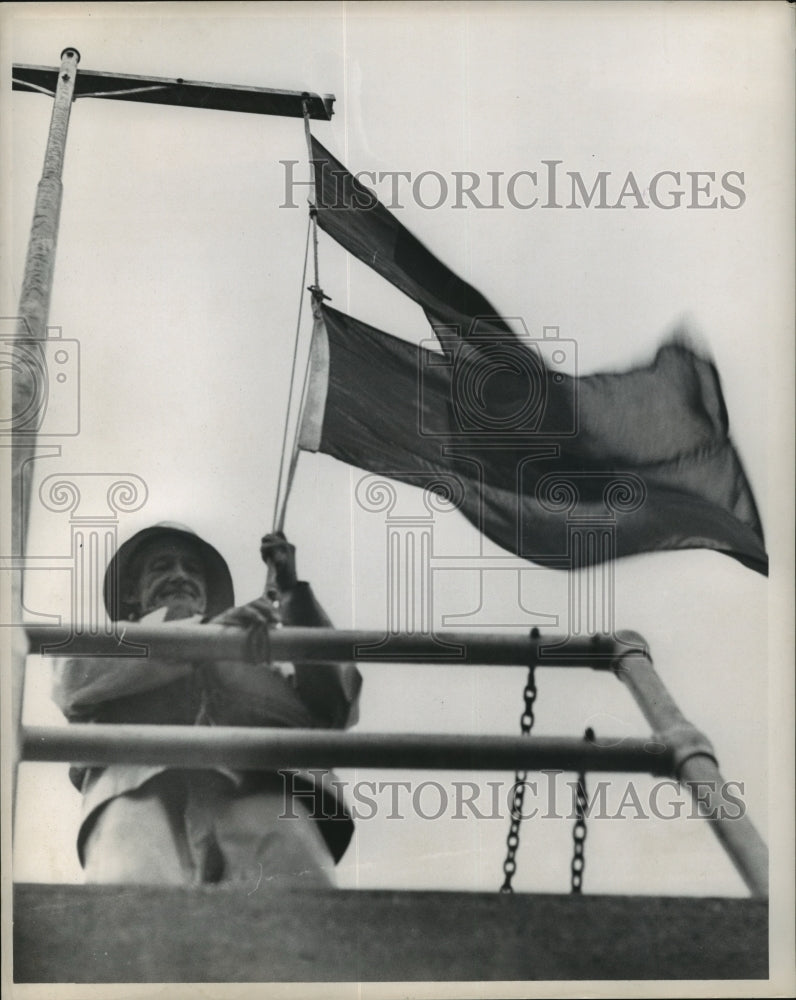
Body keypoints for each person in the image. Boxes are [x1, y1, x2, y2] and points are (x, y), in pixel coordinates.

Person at [51, 523, 362, 888]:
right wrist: (206, 637)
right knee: (134, 912)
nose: (179, 576)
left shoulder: (258, 654)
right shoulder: (106, 645)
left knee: (295, 913)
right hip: (139, 793)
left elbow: (337, 705)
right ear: (133, 594)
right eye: (162, 566)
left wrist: (294, 597)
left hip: (266, 795)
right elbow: (72, 679)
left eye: (192, 569)